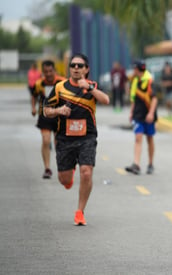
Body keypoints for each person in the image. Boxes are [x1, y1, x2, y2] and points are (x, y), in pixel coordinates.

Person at [43, 53, 110, 225]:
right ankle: (69, 173)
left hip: (87, 136)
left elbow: (106, 100)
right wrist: (59, 111)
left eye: (80, 66)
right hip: (65, 138)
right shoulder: (60, 87)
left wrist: (89, 87)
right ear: (69, 68)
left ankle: (80, 211)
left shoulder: (92, 86)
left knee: (86, 172)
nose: (76, 68)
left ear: (87, 69)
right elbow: (46, 110)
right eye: (73, 65)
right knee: (64, 180)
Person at [31, 60, 65, 179]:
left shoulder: (62, 82)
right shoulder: (39, 83)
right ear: (43, 72)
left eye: (50, 71)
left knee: (58, 143)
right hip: (44, 115)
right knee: (46, 140)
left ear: (54, 71)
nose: (49, 74)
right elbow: (34, 95)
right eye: (46, 72)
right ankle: (47, 168)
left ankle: (61, 167)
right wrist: (33, 108)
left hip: (59, 115)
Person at [125, 60, 158, 175]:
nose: (133, 71)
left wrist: (151, 113)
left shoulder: (149, 81)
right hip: (138, 114)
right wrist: (131, 112)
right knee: (138, 137)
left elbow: (154, 99)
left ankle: (150, 164)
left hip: (148, 114)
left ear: (137, 69)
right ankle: (136, 164)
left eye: (134, 69)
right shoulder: (135, 80)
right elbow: (134, 99)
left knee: (149, 139)